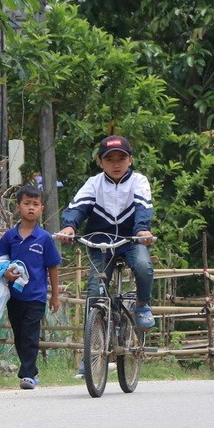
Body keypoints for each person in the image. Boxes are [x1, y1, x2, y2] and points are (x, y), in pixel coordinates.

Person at [59, 135, 156, 331]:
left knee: (143, 266)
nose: (116, 164)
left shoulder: (139, 181)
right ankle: (92, 350)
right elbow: (78, 206)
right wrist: (70, 226)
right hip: (101, 242)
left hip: (131, 240)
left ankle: (142, 306)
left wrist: (141, 229)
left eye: (121, 159)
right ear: (101, 162)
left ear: (130, 160)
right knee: (94, 291)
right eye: (109, 159)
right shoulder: (94, 183)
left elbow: (143, 206)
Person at [0, 185, 62, 390]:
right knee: (19, 334)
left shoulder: (44, 239)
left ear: (41, 208)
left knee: (31, 333)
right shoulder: (9, 237)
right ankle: (29, 369)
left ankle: (28, 374)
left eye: (35, 204)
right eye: (27, 204)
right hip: (14, 295)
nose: (31, 208)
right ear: (18, 207)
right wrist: (5, 273)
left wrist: (55, 296)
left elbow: (53, 267)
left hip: (36, 296)